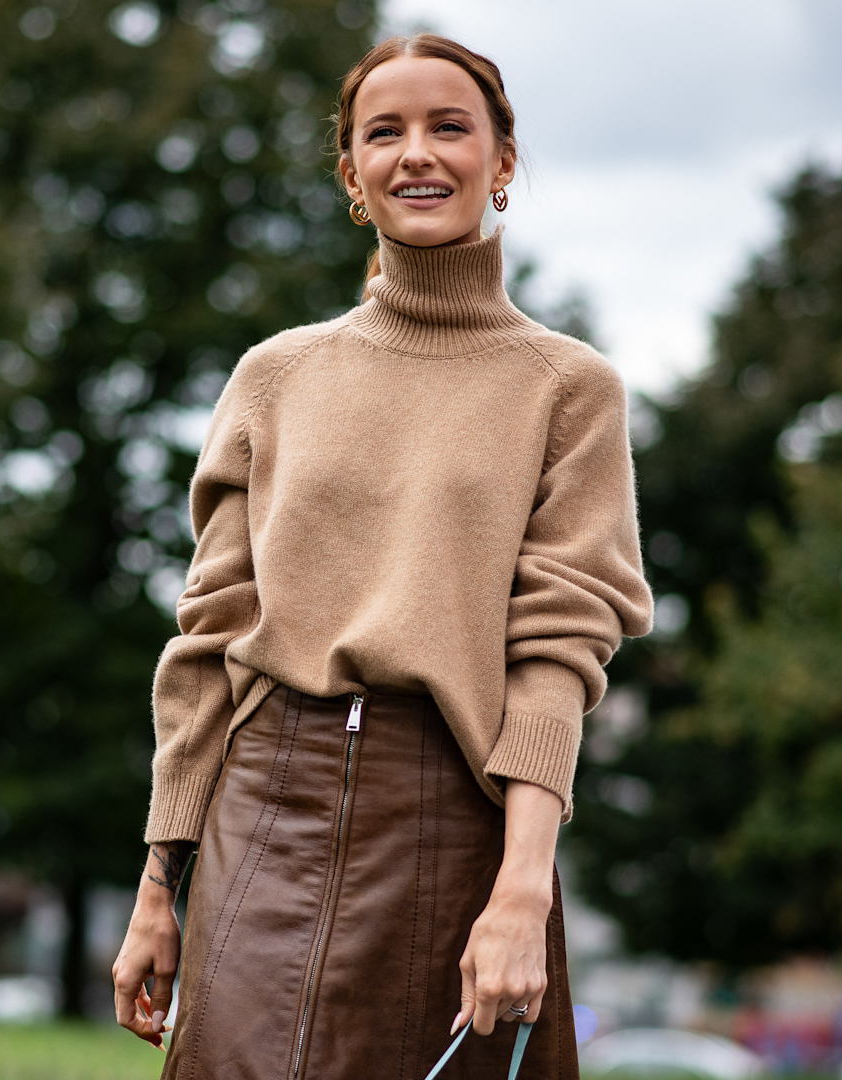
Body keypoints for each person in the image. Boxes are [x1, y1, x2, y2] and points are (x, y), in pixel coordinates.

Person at [113, 33, 654, 1080]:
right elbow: (209, 638)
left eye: (450, 126)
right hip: (261, 813)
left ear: (502, 162)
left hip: (457, 828)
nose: (418, 153)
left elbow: (558, 653)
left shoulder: (569, 390)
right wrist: (156, 885)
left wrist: (522, 890)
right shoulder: (277, 377)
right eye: (384, 133)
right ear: (352, 175)